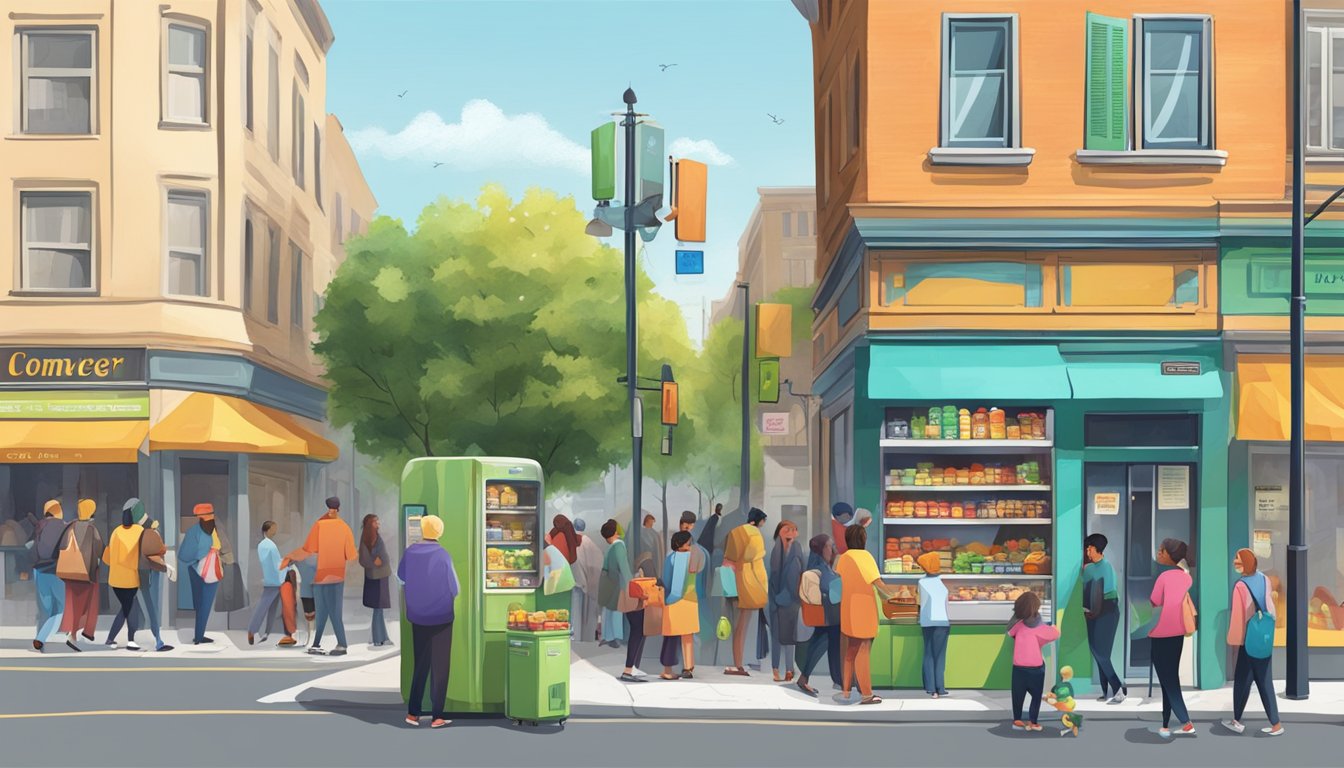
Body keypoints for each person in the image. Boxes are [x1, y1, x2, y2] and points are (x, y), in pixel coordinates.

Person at [400, 514, 459, 729]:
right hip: (441, 617)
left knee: (421, 664)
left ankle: (413, 713)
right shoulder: (443, 555)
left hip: (418, 616)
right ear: (439, 532)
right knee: (440, 667)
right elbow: (455, 588)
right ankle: (437, 717)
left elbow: (401, 577)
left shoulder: (409, 553)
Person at [1221, 548, 1285, 737]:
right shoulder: (1265, 579)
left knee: (1242, 681)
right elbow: (1270, 607)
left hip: (1248, 639)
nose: (1235, 562)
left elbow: (1238, 617)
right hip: (1263, 637)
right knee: (1263, 680)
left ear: (1248, 562)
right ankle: (1275, 724)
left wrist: (1234, 640)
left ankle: (1238, 721)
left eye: (1238, 560)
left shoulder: (1240, 586)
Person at [835, 524, 897, 704]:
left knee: (850, 651)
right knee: (864, 650)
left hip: (847, 608)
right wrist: (893, 597)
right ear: (863, 539)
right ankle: (867, 695)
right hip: (863, 608)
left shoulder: (843, 558)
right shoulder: (865, 557)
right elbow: (878, 583)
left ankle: (846, 691)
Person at [290, 497, 358, 656]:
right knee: (334, 612)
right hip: (336, 575)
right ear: (338, 509)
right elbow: (351, 555)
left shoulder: (319, 525)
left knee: (322, 612)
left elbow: (309, 548)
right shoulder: (345, 528)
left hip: (321, 576)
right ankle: (334, 644)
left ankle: (328, 644)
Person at [1148, 538, 1196, 738]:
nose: (1159, 553)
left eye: (1162, 550)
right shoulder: (1186, 577)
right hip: (1177, 632)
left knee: (1168, 679)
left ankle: (1185, 721)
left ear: (1170, 555)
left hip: (1160, 632)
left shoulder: (1164, 577)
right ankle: (1166, 723)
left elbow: (1155, 601)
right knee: (1170, 676)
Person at [722, 507, 770, 676]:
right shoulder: (755, 534)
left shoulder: (736, 532)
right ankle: (738, 664)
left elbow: (728, 559)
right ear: (759, 520)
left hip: (735, 581)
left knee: (738, 626)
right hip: (749, 582)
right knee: (742, 626)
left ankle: (738, 662)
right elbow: (752, 556)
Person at [796, 534, 842, 697]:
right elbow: (823, 593)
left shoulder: (827, 567)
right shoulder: (819, 570)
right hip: (828, 616)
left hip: (832, 616)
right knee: (822, 643)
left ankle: (838, 679)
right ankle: (805, 677)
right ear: (822, 549)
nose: (833, 550)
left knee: (829, 644)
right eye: (830, 546)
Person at [1082, 533, 1125, 703]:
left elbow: (1110, 595)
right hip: (1091, 611)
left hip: (1107, 611)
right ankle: (1106, 691)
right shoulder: (1088, 568)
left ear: (1098, 549)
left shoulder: (1106, 567)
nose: (1087, 551)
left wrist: (1095, 609)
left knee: (1102, 652)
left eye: (1090, 548)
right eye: (1087, 548)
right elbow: (1086, 591)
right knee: (1096, 650)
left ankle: (1117, 688)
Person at [1007, 591, 1058, 731]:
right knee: (1036, 696)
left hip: (1018, 668)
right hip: (1036, 669)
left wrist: (1017, 616)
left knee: (1017, 695)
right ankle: (1033, 722)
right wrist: (1051, 626)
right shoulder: (1041, 628)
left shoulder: (1018, 626)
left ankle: (1017, 720)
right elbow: (1055, 633)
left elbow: (1009, 632)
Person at [59, 499, 104, 652]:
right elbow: (100, 549)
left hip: (70, 572)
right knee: (85, 604)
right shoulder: (92, 529)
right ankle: (74, 635)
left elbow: (63, 546)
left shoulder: (70, 527)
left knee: (72, 603)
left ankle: (73, 632)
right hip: (86, 573)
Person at [102, 500, 145, 651]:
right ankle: (130, 640)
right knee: (128, 609)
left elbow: (107, 558)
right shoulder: (139, 531)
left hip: (115, 580)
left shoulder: (116, 532)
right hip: (131, 579)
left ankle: (112, 639)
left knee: (126, 608)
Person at [178, 503, 222, 645]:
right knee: (205, 605)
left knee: (199, 604)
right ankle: (199, 637)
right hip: (210, 572)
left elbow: (184, 554)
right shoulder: (214, 531)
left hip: (194, 570)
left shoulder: (193, 531)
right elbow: (219, 547)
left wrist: (195, 560)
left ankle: (199, 635)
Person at [659, 531, 701, 679]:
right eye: (688, 542)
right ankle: (688, 667)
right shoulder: (693, 557)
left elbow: (675, 585)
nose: (690, 545)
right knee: (687, 636)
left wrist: (667, 601)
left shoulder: (675, 558)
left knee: (671, 635)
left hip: (676, 601)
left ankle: (667, 669)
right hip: (691, 599)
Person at [767, 520, 804, 682]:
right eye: (787, 529)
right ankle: (775, 669)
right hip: (777, 598)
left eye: (794, 530)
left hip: (792, 599)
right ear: (779, 532)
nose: (791, 532)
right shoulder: (776, 549)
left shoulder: (797, 548)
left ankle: (789, 669)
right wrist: (775, 597)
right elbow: (773, 575)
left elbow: (800, 571)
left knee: (789, 636)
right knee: (776, 635)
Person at [29, 500, 67, 652]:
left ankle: (41, 642)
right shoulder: (63, 526)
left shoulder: (39, 526)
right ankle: (41, 638)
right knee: (60, 609)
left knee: (44, 609)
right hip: (56, 571)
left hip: (39, 571)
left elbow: (32, 548)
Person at [917, 551, 950, 698]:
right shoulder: (941, 581)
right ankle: (940, 687)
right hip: (942, 621)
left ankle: (931, 689)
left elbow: (921, 603)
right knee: (940, 655)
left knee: (928, 654)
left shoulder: (921, 582)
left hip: (926, 621)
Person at [248, 521, 285, 646]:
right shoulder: (270, 546)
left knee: (272, 608)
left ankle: (266, 632)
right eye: (274, 528)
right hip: (274, 580)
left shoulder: (263, 544)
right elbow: (276, 564)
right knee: (264, 607)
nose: (276, 530)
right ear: (268, 530)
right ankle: (252, 630)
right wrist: (287, 565)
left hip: (271, 578)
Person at [360, 514, 393, 647]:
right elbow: (364, 559)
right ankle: (378, 638)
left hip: (380, 575)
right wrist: (376, 562)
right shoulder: (367, 540)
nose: (378, 524)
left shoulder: (374, 538)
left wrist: (381, 560)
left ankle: (381, 637)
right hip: (376, 576)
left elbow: (384, 556)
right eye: (375, 522)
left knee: (378, 609)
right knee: (378, 608)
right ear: (369, 524)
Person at [572, 518, 603, 643]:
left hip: (575, 582)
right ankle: (586, 637)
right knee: (588, 613)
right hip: (588, 583)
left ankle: (576, 637)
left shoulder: (571, 541)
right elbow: (598, 561)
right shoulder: (588, 541)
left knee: (576, 612)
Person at [599, 519, 629, 649]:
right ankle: (616, 638)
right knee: (617, 610)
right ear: (616, 532)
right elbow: (624, 567)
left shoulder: (609, 549)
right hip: (617, 583)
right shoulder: (619, 546)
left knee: (608, 609)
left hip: (607, 581)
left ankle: (607, 636)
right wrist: (631, 582)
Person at [1046, 665, 1084, 737]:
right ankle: (1074, 725)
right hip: (1068, 703)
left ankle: (1073, 725)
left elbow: (1052, 692)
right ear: (1070, 676)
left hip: (1060, 703)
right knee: (1069, 712)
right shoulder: (1069, 685)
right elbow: (1072, 695)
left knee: (1066, 712)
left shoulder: (1057, 685)